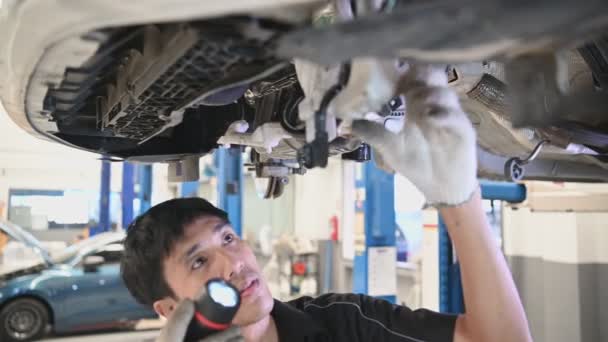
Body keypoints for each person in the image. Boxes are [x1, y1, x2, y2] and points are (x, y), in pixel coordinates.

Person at [120, 65, 532, 342]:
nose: (233, 263)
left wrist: (461, 201)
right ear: (169, 309)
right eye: (198, 261)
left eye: (227, 238)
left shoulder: (343, 322)